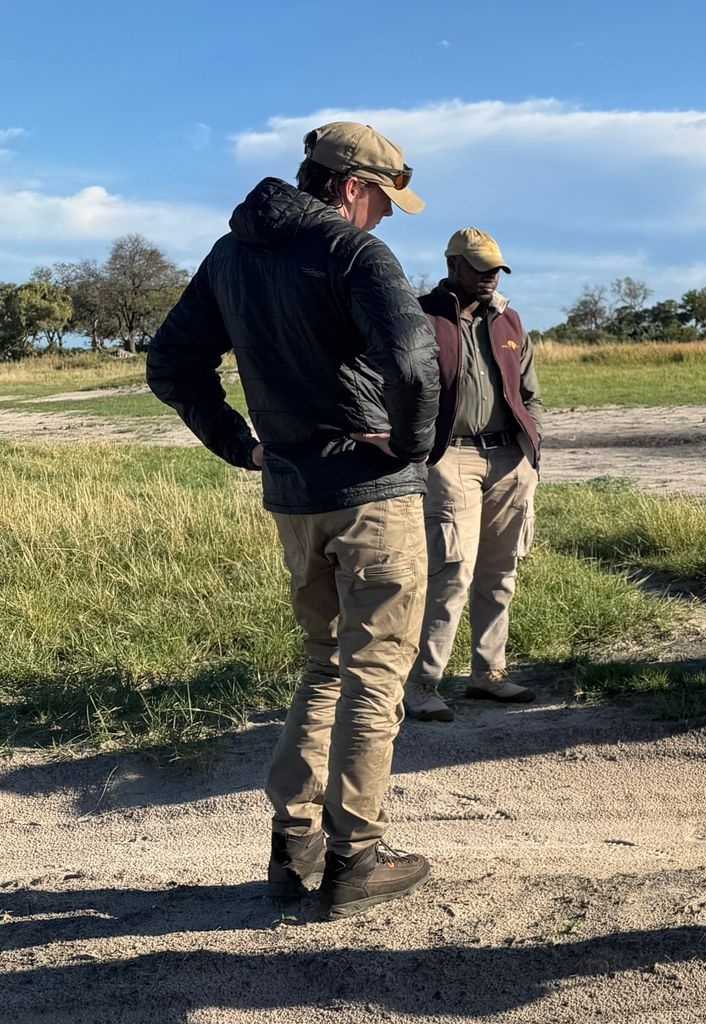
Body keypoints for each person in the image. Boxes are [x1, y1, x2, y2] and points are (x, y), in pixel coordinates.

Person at [146, 122, 438, 920]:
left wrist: (241, 447)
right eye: (381, 200)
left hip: (294, 498)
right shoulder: (354, 254)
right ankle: (357, 858)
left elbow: (171, 364)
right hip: (372, 499)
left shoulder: (230, 256)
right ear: (351, 187)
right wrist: (411, 449)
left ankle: (295, 842)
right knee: (376, 671)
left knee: (325, 663)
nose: (383, 217)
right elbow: (414, 362)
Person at [404, 228, 543, 722]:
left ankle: (489, 674)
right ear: (453, 265)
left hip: (509, 458)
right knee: (451, 572)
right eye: (480, 267)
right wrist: (420, 450)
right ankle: (423, 684)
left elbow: (529, 392)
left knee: (500, 573)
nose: (489, 277)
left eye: (495, 269)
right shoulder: (421, 316)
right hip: (449, 458)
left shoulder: (509, 319)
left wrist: (532, 449)